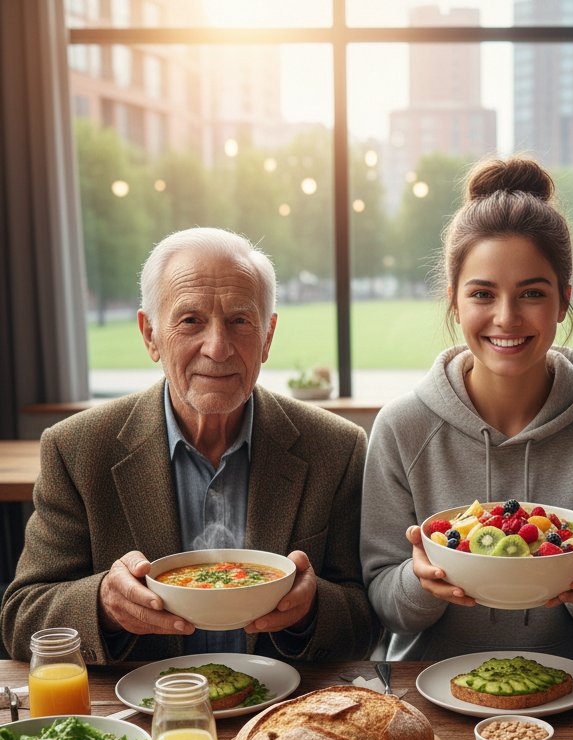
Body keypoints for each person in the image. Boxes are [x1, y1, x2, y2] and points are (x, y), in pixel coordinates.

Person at [1, 227, 378, 664]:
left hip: (287, 702)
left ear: (268, 336)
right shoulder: (76, 449)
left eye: (240, 321)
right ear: (150, 335)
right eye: (190, 321)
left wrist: (310, 610)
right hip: (139, 703)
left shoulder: (336, 448)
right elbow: (21, 618)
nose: (217, 348)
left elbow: (365, 622)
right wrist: (103, 604)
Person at [361, 156, 573, 662]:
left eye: (532, 293)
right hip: (428, 687)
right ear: (454, 301)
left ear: (563, 302)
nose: (506, 317)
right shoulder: (401, 428)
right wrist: (419, 582)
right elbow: (386, 605)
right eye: (482, 293)